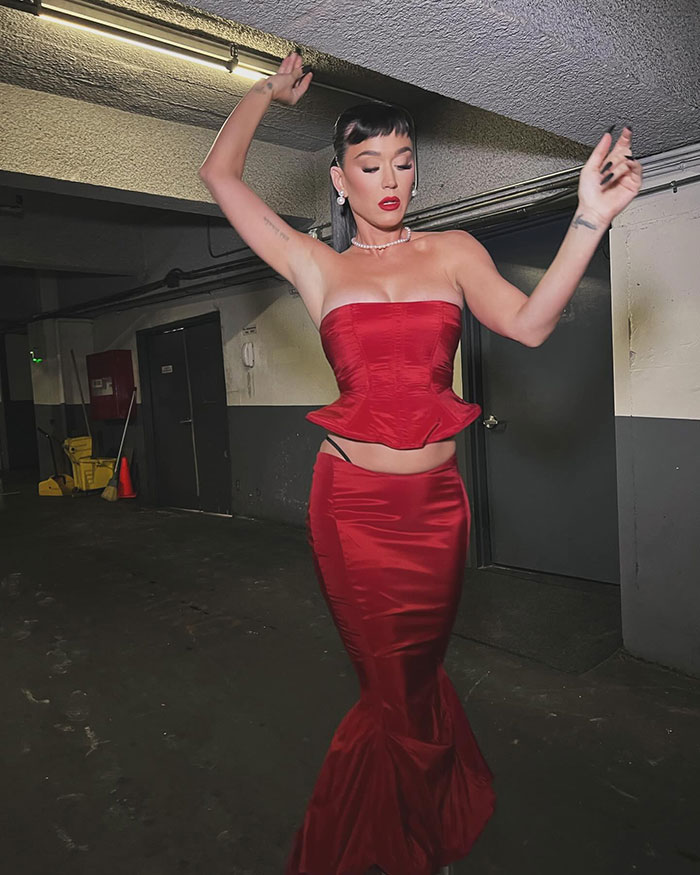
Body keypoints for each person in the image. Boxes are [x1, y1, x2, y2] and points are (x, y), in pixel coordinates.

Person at [199, 51, 642, 875]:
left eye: (403, 161)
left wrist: (591, 218)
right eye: (369, 164)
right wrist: (263, 93)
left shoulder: (455, 252)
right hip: (352, 512)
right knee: (387, 690)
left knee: (418, 676)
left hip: (437, 510)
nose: (390, 178)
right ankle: (396, 845)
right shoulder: (315, 265)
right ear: (340, 180)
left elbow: (535, 323)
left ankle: (426, 817)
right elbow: (219, 176)